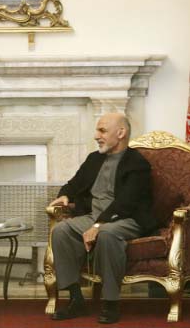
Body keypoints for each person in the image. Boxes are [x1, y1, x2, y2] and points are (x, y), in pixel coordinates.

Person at [49, 112, 156, 324]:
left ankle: (111, 303)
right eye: (97, 130)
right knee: (61, 231)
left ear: (121, 133)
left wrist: (99, 225)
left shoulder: (137, 164)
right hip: (94, 216)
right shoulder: (94, 159)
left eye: (102, 130)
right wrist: (65, 195)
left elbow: (126, 203)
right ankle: (76, 300)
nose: (96, 136)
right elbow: (74, 183)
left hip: (127, 219)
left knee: (107, 234)